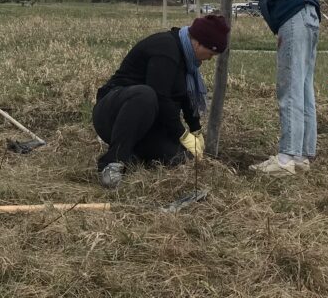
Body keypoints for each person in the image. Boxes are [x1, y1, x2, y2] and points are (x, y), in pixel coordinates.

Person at [230, 0, 320, 176]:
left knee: (289, 88)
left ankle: (286, 158)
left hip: (293, 18)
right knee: (302, 88)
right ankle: (302, 155)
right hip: (304, 17)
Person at [93, 14, 229, 189]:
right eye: (210, 53)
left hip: (146, 123)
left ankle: (133, 153)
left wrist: (196, 130)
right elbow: (160, 97)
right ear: (199, 43)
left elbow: (183, 95)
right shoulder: (166, 49)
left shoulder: (184, 58)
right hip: (111, 113)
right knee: (145, 95)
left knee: (180, 158)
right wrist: (182, 134)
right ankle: (112, 163)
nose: (209, 59)